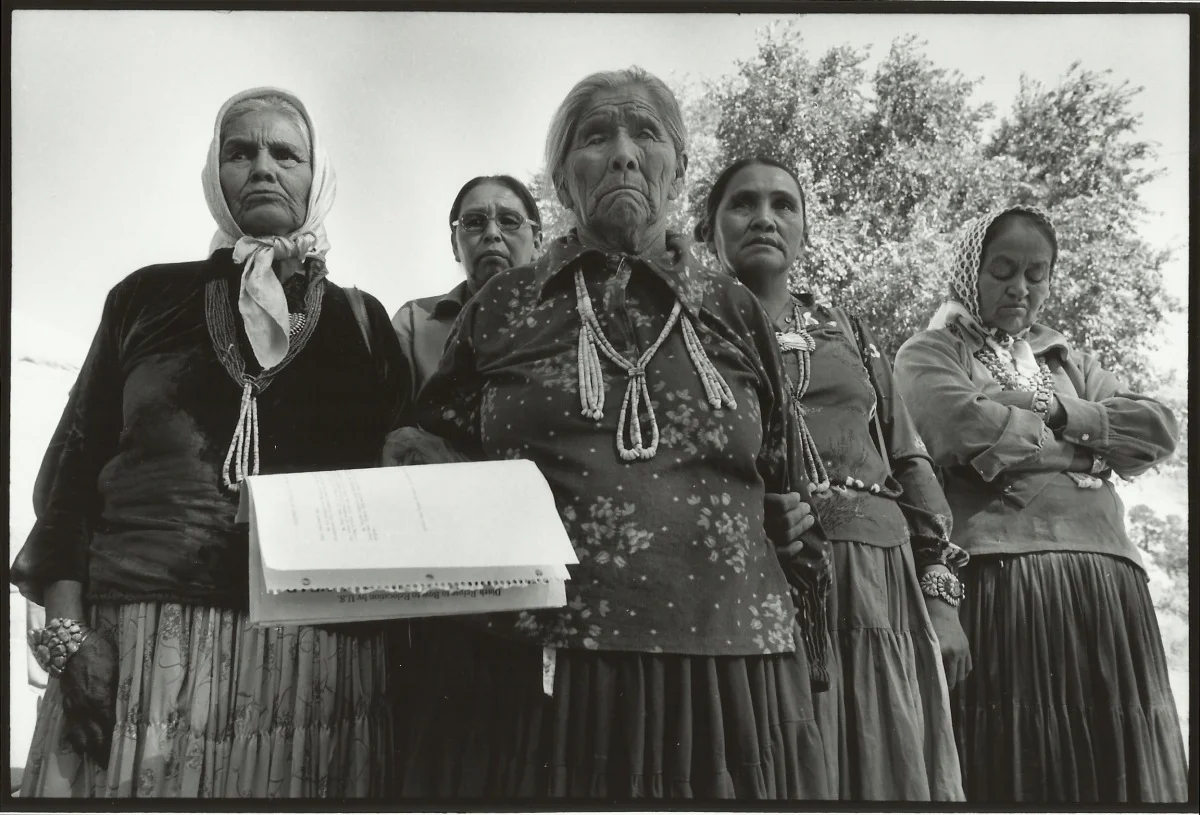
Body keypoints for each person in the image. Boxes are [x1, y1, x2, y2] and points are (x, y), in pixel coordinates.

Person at [384, 68, 830, 800]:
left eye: (645, 133)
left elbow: (791, 487)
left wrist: (795, 559)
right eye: (597, 136)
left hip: (731, 661)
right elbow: (427, 450)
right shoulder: (505, 306)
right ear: (561, 176)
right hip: (543, 669)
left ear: (679, 169)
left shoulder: (733, 307)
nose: (623, 153)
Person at [12, 87, 408, 798]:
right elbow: (67, 484)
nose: (263, 168)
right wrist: (70, 643)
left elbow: (402, 498)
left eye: (285, 153)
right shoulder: (143, 299)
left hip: (317, 661)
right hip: (142, 648)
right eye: (240, 152)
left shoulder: (364, 322)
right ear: (213, 173)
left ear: (317, 178)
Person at [695, 156, 969, 801]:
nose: (764, 217)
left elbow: (907, 457)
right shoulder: (691, 331)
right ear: (710, 230)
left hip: (878, 581)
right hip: (756, 577)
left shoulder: (847, 332)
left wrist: (941, 595)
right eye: (743, 203)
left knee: (885, 764)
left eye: (783, 205)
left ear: (805, 232)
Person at [893, 205, 1187, 803]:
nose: (1020, 287)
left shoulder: (1067, 360)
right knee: (1022, 754)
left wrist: (1052, 409)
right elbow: (957, 428)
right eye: (1002, 270)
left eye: (1037, 273)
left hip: (1108, 584)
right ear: (970, 271)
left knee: (1111, 765)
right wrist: (1092, 451)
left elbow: (1157, 430)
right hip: (1007, 579)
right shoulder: (929, 352)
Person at [391, 176, 543, 398]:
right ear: (455, 245)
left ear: (537, 244)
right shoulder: (413, 323)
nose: (492, 233)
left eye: (509, 220)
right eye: (473, 222)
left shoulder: (569, 318)